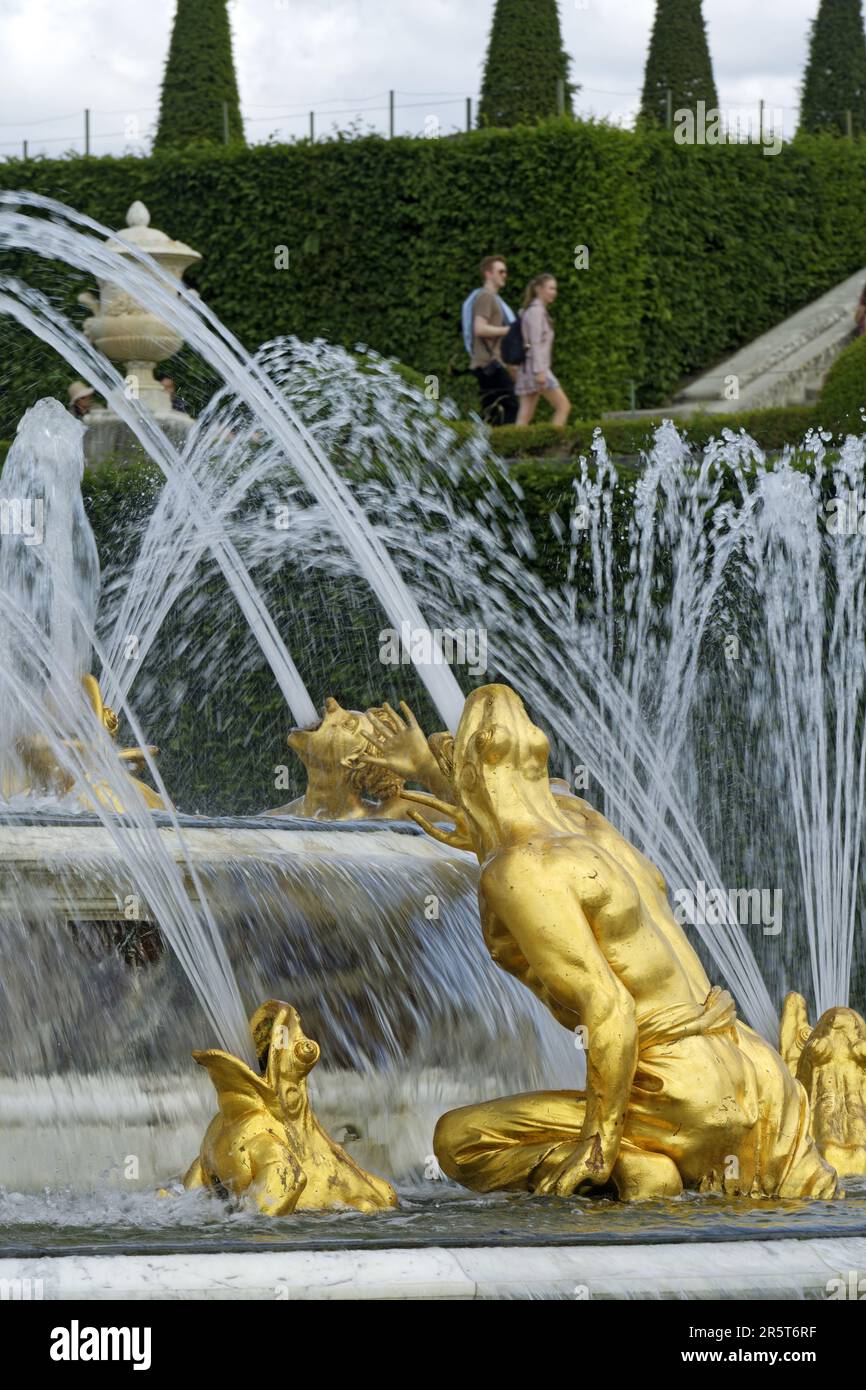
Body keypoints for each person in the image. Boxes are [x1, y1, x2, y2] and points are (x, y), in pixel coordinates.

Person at [467, 255, 518, 425]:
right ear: (488, 274)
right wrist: (508, 330)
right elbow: (479, 329)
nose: (505, 275)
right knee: (511, 407)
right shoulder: (486, 297)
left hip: (489, 364)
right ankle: (504, 449)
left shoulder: (492, 298)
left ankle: (483, 447)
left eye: (505, 271)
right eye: (500, 271)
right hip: (489, 364)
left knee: (493, 411)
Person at [516, 273, 571, 427]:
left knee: (524, 417)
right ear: (539, 289)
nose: (554, 292)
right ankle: (555, 444)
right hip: (537, 370)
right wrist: (540, 371)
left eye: (555, 289)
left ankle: (514, 449)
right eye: (551, 288)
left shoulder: (535, 310)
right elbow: (535, 342)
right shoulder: (536, 312)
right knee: (563, 406)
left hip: (529, 369)